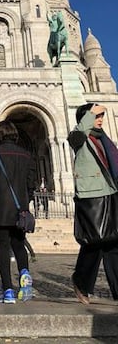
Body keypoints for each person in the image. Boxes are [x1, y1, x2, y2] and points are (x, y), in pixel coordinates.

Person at [68, 103, 118, 304]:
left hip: (112, 193)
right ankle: (80, 281)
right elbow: (76, 136)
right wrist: (90, 113)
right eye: (96, 115)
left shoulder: (104, 140)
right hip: (92, 197)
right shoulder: (79, 138)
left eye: (101, 115)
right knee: (94, 242)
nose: (100, 119)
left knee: (114, 243)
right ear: (85, 118)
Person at [0, 120, 36, 304]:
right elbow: (31, 184)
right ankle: (25, 283)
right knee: (19, 245)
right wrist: (23, 203)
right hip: (20, 209)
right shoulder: (26, 154)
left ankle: (8, 291)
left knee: (3, 248)